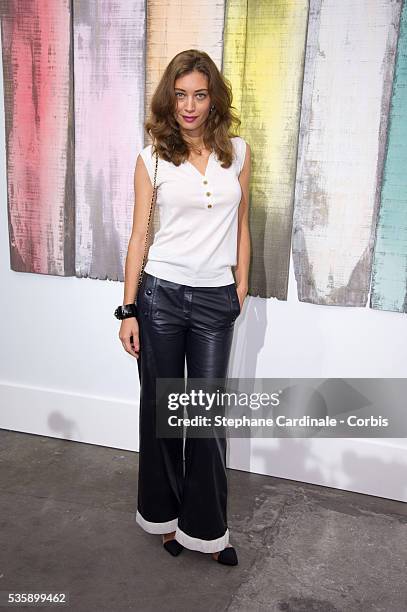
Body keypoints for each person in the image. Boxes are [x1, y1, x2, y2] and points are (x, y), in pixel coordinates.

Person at [117, 49, 251, 566]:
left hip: (216, 299)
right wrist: (127, 310)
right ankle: (166, 520)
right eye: (180, 95)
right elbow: (138, 237)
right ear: (167, 99)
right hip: (161, 299)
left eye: (199, 94)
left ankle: (208, 531)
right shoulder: (151, 156)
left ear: (212, 97)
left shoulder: (237, 152)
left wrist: (239, 290)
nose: (189, 106)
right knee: (164, 416)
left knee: (207, 419)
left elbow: (241, 228)